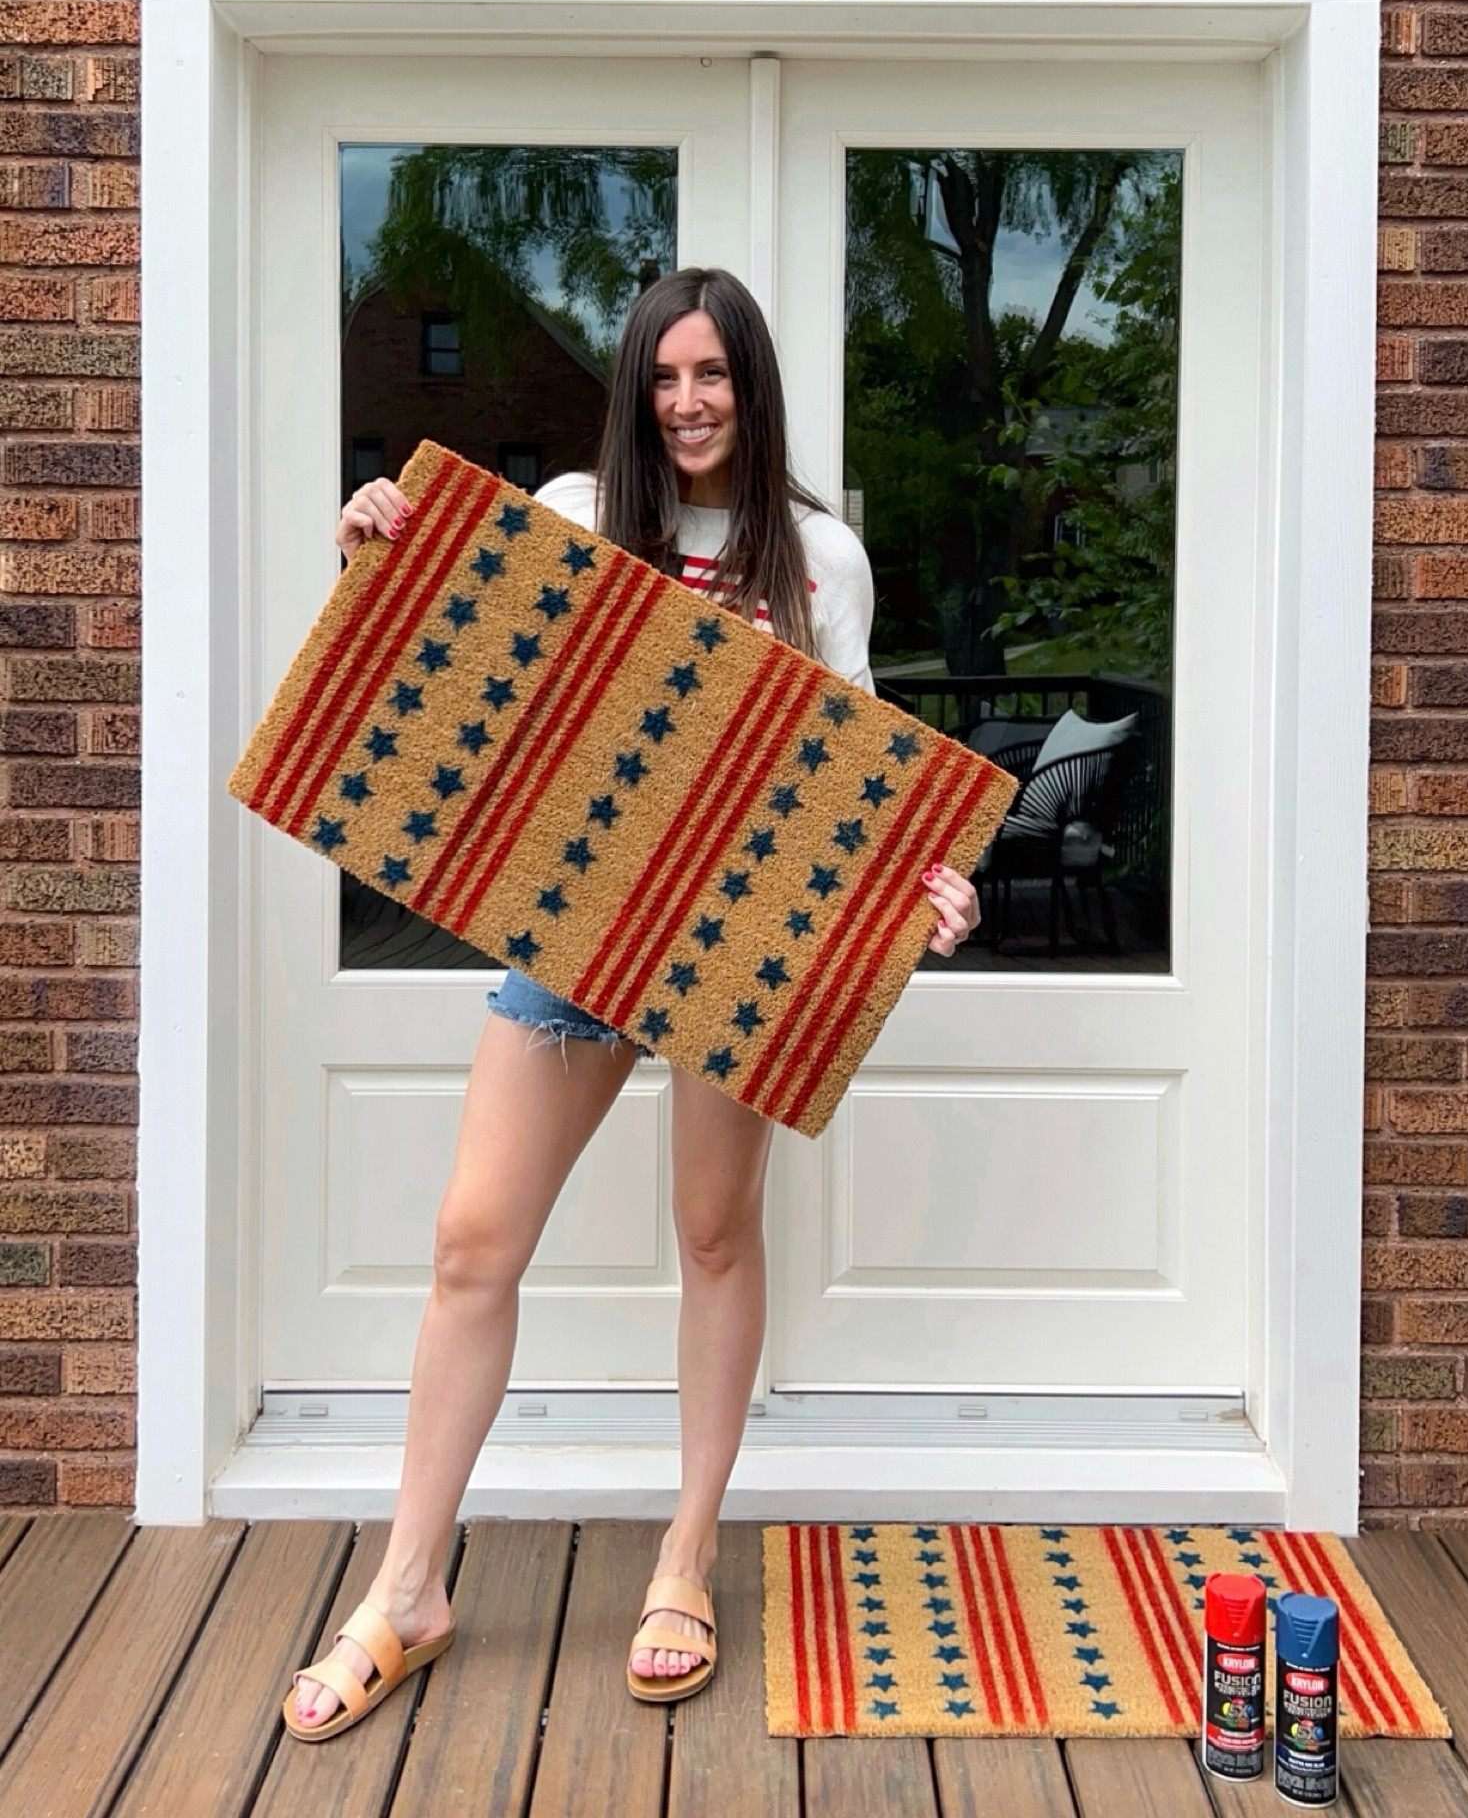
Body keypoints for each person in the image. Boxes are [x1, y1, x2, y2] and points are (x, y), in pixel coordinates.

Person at [283, 267, 980, 1738]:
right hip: (573, 925)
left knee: (715, 1237)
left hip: (739, 944)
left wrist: (927, 885)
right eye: (664, 375)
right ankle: (408, 1587)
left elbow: (857, 772)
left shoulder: (820, 559)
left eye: (713, 374)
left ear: (753, 384)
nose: (687, 401)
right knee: (474, 1241)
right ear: (633, 389)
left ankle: (684, 1559)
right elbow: (443, 660)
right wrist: (373, 551)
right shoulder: (577, 518)